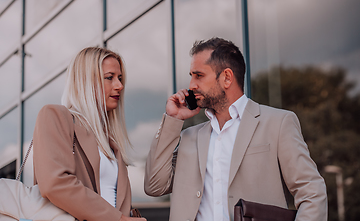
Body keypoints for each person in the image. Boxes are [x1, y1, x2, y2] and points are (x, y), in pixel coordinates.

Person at [144, 37, 327, 221]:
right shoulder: (189, 137)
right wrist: (172, 120)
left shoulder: (278, 123)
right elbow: (154, 186)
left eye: (198, 75)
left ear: (227, 77)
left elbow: (311, 192)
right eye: (191, 76)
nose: (191, 85)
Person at [33, 47, 146, 221]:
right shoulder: (55, 116)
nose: (119, 86)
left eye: (120, 78)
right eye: (110, 78)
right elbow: (54, 183)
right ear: (84, 81)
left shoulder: (110, 142)